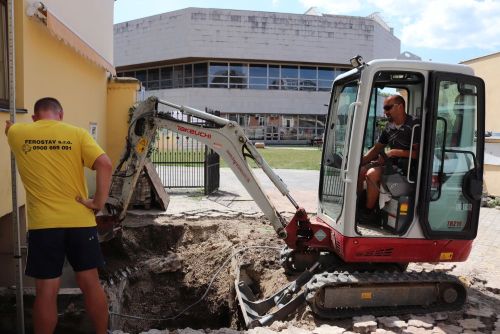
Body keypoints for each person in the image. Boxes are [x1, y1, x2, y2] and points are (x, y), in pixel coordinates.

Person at [5, 97, 113, 334]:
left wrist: (11, 128)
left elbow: (9, 129)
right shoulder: (77, 134)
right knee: (90, 284)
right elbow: (105, 164)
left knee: (46, 291)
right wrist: (97, 202)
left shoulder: (19, 134)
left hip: (43, 226)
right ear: (60, 114)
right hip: (80, 222)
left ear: (34, 118)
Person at [357, 94, 419, 225]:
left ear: (400, 106)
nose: (385, 112)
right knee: (361, 171)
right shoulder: (388, 127)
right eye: (384, 108)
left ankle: (369, 214)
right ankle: (357, 206)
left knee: (372, 174)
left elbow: (418, 154)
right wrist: (357, 162)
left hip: (407, 171)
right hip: (392, 166)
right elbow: (376, 149)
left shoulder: (414, 125)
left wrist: (393, 152)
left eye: (388, 107)